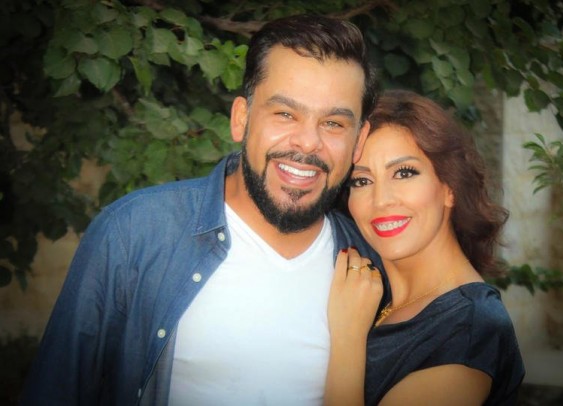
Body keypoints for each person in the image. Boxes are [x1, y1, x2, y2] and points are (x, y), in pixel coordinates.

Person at [21, 14, 381, 405]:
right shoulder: (134, 233)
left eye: (333, 123)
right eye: (285, 114)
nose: (308, 142)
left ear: (359, 140)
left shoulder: (376, 264)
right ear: (241, 119)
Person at [325, 89, 525, 405]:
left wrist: (347, 338)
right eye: (362, 181)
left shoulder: (469, 329)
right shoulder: (367, 296)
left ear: (450, 188)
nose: (381, 200)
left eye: (404, 173)